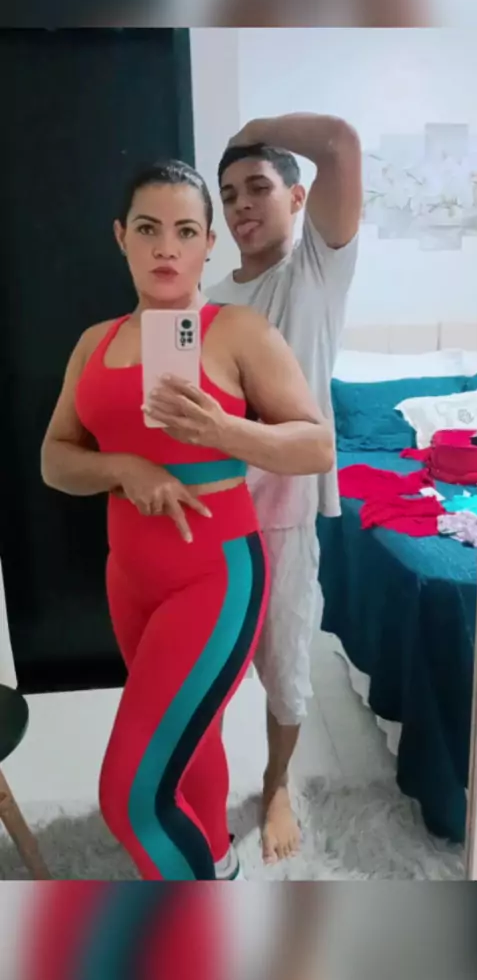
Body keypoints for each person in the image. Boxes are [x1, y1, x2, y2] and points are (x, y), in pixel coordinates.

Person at [40, 159, 334, 881]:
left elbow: (317, 445)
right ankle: (219, 865)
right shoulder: (95, 342)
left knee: (131, 797)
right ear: (121, 238)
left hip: (215, 575)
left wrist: (224, 431)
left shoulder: (238, 332)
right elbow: (55, 460)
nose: (166, 248)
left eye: (184, 231)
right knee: (192, 743)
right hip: (129, 578)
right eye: (148, 230)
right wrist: (124, 468)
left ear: (209, 243)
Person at [211, 113, 362, 863]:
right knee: (206, 671)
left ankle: (276, 785)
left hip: (284, 515)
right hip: (211, 515)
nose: (241, 205)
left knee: (285, 670)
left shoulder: (314, 272)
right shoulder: (205, 300)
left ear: (297, 198)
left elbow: (339, 145)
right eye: (228, 194)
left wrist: (254, 129)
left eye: (258, 187)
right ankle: (203, 787)